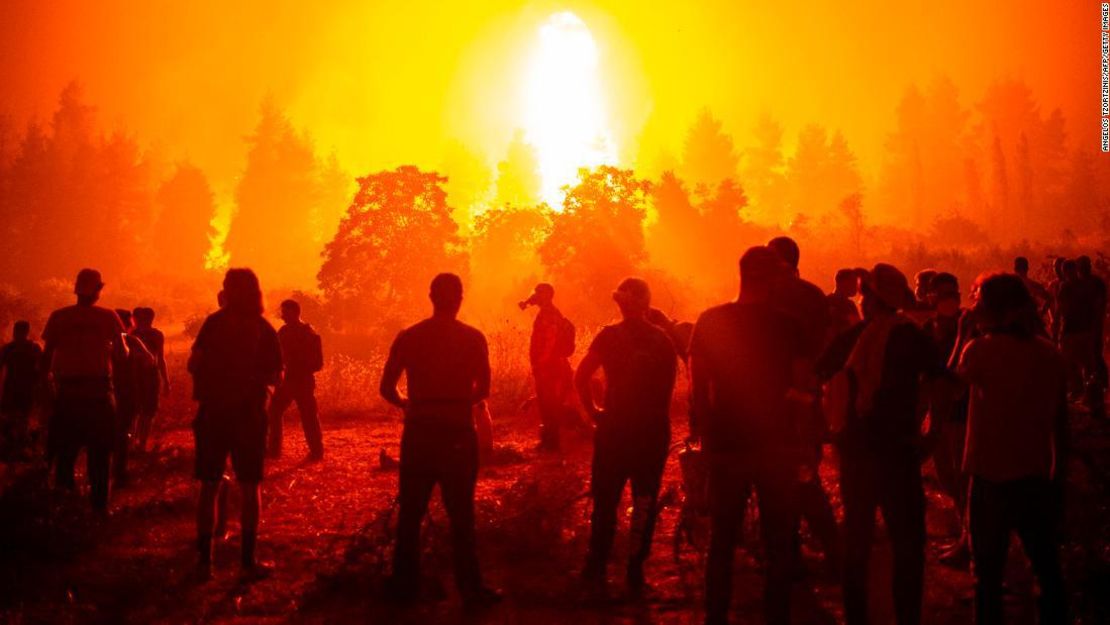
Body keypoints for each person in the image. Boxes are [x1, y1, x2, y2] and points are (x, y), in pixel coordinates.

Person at [816, 263, 945, 625]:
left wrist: (830, 426)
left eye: (865, 294)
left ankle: (858, 614)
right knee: (907, 540)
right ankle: (906, 615)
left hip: (858, 450)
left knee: (858, 536)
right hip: (900, 450)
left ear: (871, 299)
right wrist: (931, 437)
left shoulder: (853, 338)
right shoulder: (913, 337)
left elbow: (818, 374)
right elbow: (941, 384)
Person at [690, 246, 809, 625]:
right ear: (771, 280)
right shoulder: (789, 326)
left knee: (722, 543)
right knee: (778, 546)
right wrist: (804, 443)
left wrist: (707, 444)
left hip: (727, 446)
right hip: (777, 447)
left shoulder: (711, 321)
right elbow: (803, 389)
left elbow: (698, 392)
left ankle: (716, 618)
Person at [380, 273, 501, 606]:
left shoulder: (409, 337)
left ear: (430, 297)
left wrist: (411, 403)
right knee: (462, 515)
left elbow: (386, 389)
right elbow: (484, 389)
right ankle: (471, 590)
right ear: (460, 299)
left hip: (419, 432)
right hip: (458, 432)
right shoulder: (473, 339)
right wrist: (456, 398)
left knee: (410, 515)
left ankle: (404, 588)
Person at [956, 273, 1068, 625]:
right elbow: (1059, 421)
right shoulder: (1048, 352)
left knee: (987, 577)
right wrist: (1058, 472)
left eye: (977, 299)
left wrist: (961, 336)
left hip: (990, 477)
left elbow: (948, 383)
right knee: (1046, 571)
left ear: (992, 307)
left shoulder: (980, 351)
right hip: (1034, 474)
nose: (973, 305)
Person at [575, 278, 677, 599]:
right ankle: (635, 571)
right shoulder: (663, 341)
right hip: (650, 431)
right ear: (647, 303)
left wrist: (594, 412)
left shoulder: (608, 337)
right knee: (644, 501)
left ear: (620, 303)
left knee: (605, 501)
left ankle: (596, 567)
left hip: (614, 429)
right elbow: (667, 391)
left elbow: (581, 375)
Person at [189, 268, 282, 580]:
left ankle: (205, 561)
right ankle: (247, 560)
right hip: (248, 415)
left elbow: (195, 363)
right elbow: (275, 376)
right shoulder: (263, 328)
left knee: (209, 484)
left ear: (228, 290)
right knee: (250, 485)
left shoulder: (213, 324)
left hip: (214, 411)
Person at [767, 237, 839, 576]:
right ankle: (825, 549)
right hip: (808, 397)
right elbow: (828, 344)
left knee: (787, 477)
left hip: (776, 399)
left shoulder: (768, 295)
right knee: (804, 472)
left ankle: (798, 552)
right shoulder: (813, 295)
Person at [41, 269, 126, 511]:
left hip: (67, 394)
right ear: (99, 290)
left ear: (75, 289)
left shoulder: (59, 317)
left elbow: (46, 359)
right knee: (100, 454)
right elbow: (121, 354)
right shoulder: (108, 317)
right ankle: (99, 508)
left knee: (65, 453)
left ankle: (64, 505)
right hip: (98, 393)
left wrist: (47, 392)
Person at [921, 272, 971, 565]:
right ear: (931, 298)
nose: (950, 300)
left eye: (954, 294)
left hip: (963, 410)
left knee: (964, 478)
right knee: (946, 476)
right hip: (937, 410)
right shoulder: (928, 329)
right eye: (943, 295)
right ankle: (964, 536)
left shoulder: (969, 326)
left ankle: (968, 541)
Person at [267, 299, 324, 460]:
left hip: (302, 381)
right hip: (287, 382)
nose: (283, 316)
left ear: (295, 312)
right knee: (275, 412)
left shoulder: (309, 334)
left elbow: (318, 363)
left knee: (308, 416)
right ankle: (274, 450)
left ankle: (316, 452)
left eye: (285, 312)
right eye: (282, 312)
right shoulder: (283, 332)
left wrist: (298, 366)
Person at [520, 283, 575, 451]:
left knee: (549, 404)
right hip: (550, 366)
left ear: (548, 295)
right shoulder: (547, 312)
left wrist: (540, 364)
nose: (536, 294)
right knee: (548, 404)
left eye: (540, 292)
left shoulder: (549, 315)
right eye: (535, 291)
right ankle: (550, 441)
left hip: (550, 368)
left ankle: (551, 443)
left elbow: (550, 342)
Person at [112, 309, 155, 487]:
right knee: (122, 433)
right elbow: (150, 361)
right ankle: (119, 473)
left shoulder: (100, 341)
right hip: (127, 392)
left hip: (106, 392)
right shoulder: (131, 340)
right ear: (127, 324)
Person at [0, 321, 43, 460]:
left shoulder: (10, 348)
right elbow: (42, 368)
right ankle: (18, 448)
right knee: (18, 417)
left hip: (19, 388)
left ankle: (17, 448)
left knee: (18, 417)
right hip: (19, 388)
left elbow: (42, 368)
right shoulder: (31, 348)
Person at [131, 307, 169, 452]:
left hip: (150, 376)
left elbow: (160, 358)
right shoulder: (132, 335)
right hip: (136, 376)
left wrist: (166, 380)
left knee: (148, 411)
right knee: (137, 410)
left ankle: (140, 442)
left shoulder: (156, 335)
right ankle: (134, 441)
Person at [1076, 255, 1107, 419]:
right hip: (1088, 326)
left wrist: (1095, 323)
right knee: (1091, 358)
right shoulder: (1089, 283)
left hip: (1091, 326)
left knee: (1093, 357)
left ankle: (1098, 392)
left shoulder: (1092, 283)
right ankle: (1095, 392)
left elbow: (1099, 305)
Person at [828, 268, 862, 342]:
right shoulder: (848, 305)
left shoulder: (825, 301)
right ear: (843, 282)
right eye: (853, 282)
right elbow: (858, 328)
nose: (856, 286)